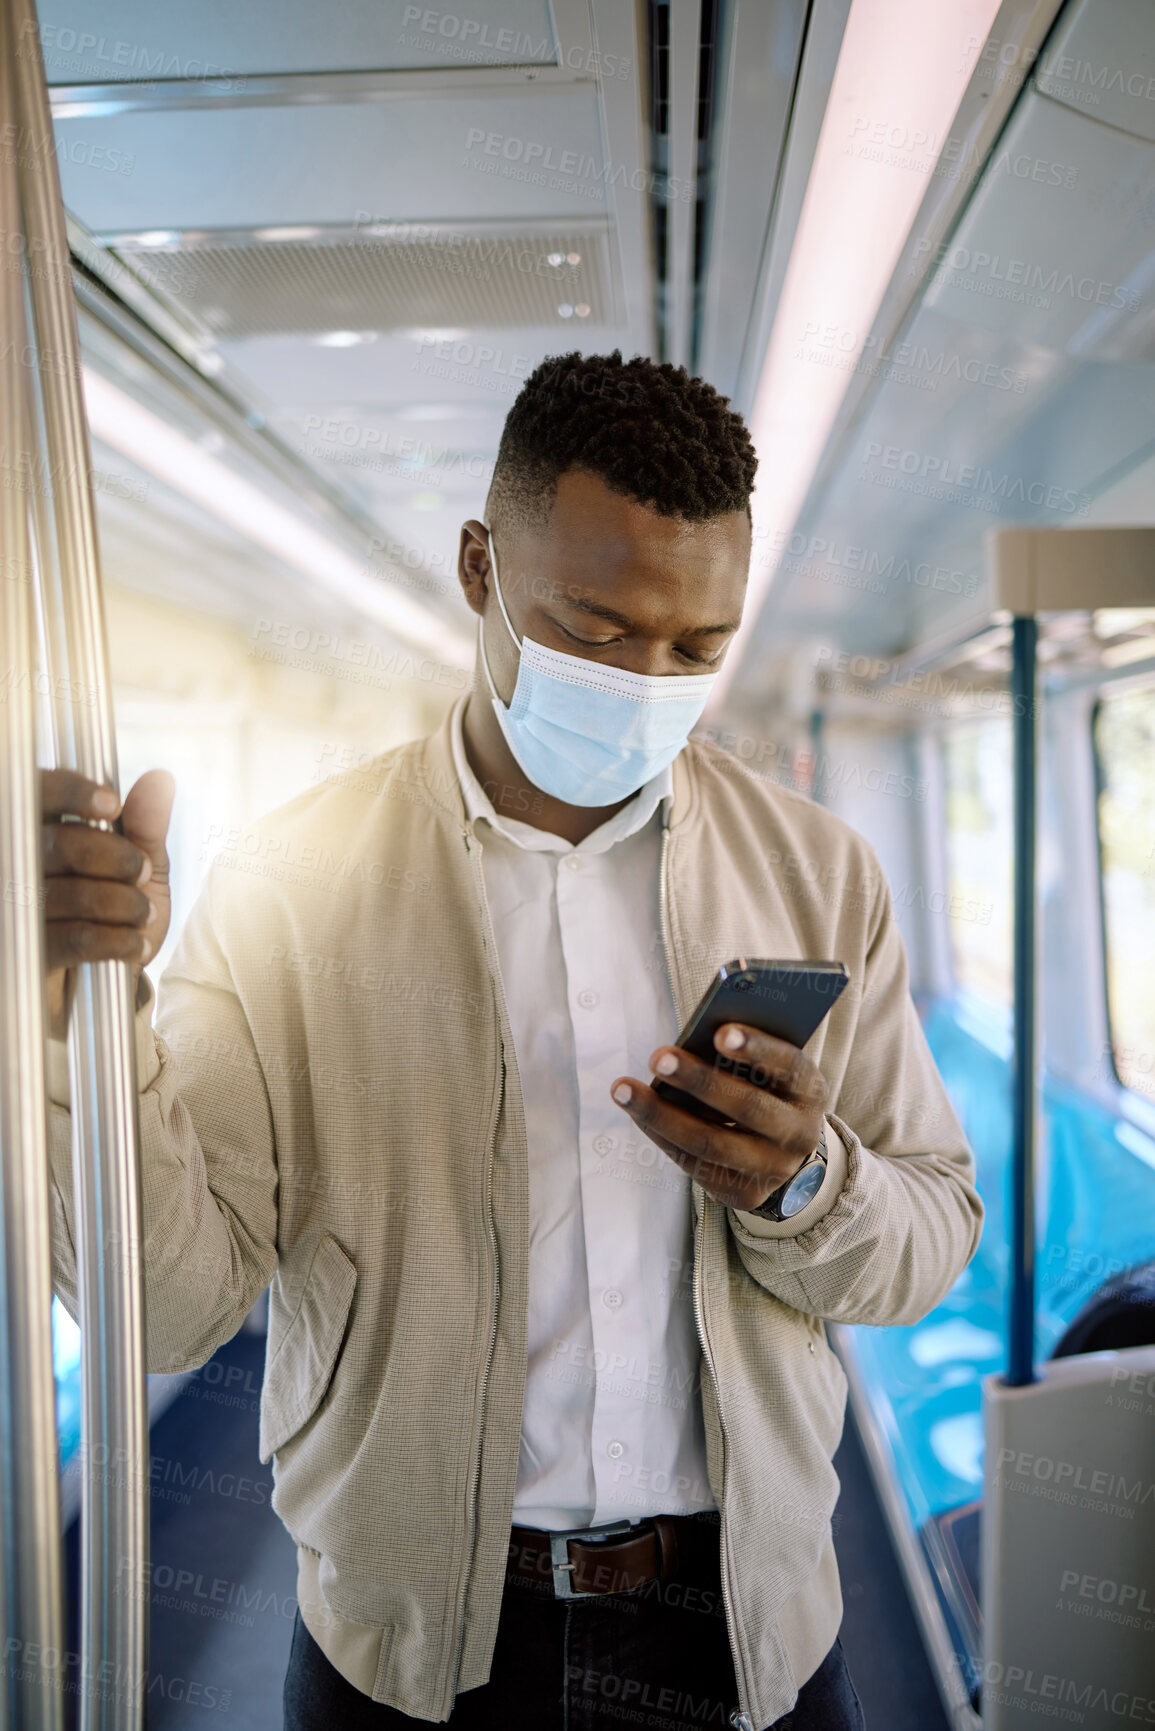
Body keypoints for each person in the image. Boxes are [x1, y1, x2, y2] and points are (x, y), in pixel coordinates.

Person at [42, 350, 983, 1731]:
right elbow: (172, 1305)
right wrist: (93, 1021)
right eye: (597, 631)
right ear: (479, 566)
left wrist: (805, 1185)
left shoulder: (818, 874)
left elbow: (932, 1232)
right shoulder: (292, 884)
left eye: (695, 652)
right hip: (415, 1637)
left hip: (747, 1626)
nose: (647, 684)